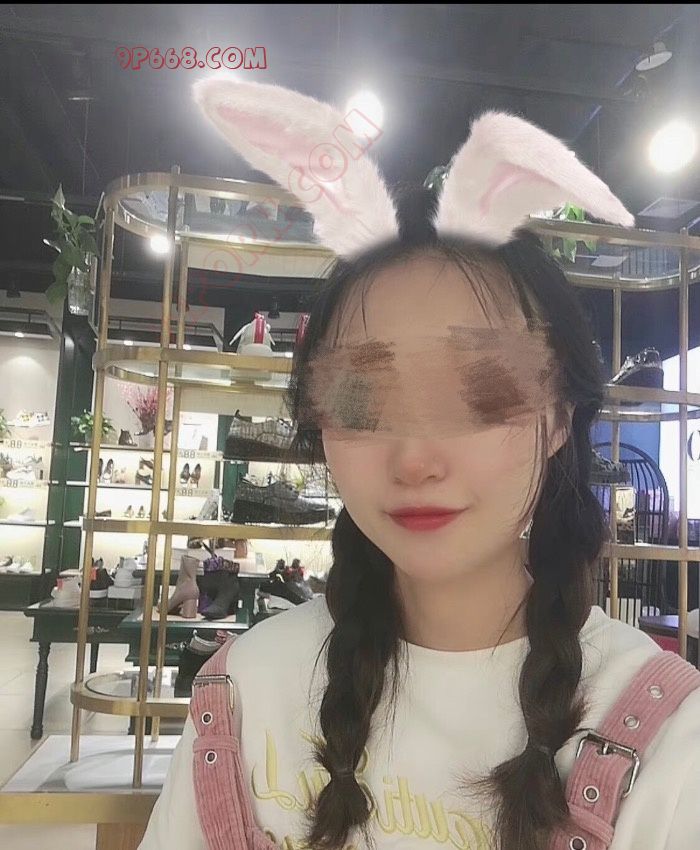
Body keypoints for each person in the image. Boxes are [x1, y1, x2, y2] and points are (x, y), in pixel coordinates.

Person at [139, 79, 700, 850]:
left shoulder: (668, 739)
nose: (415, 458)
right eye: (363, 401)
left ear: (560, 417)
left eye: (480, 394)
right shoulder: (244, 691)